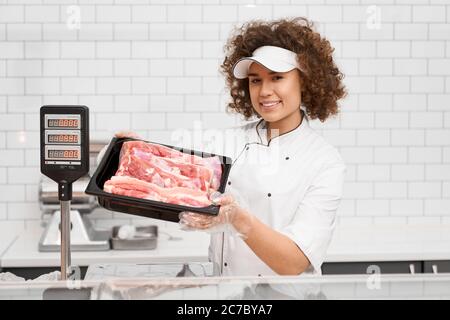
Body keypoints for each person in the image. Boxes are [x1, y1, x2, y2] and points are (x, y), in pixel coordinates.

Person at [113, 17, 347, 277]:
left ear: (306, 80)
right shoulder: (227, 142)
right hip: (226, 294)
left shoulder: (324, 161)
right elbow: (173, 175)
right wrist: (136, 153)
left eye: (277, 77)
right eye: (255, 80)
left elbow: (294, 263)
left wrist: (238, 219)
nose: (265, 91)